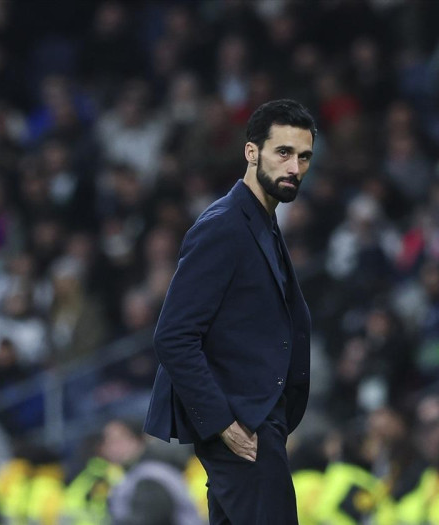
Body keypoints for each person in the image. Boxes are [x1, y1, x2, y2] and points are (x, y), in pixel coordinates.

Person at [144, 98, 316, 524]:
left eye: (304, 156)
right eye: (283, 152)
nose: (295, 167)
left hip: (256, 421)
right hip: (244, 424)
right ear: (251, 151)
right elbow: (173, 336)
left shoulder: (260, 223)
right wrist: (223, 424)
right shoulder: (224, 225)